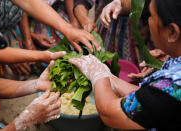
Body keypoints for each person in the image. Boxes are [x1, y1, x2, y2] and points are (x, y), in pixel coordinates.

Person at [69, 0, 181, 130]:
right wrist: (110, 78)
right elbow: (150, 101)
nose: (148, 20)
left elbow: (110, 114)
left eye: (151, 15)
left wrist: (97, 74)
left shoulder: (173, 87)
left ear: (172, 32)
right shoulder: (167, 86)